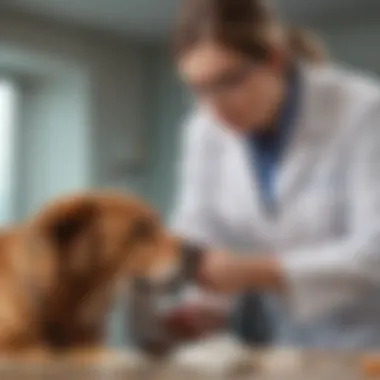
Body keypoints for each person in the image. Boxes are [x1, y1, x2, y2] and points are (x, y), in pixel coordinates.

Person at [166, 0, 380, 349]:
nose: (215, 107)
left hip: (370, 341)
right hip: (289, 344)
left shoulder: (364, 112)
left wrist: (259, 272)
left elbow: (375, 250)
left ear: (275, 60)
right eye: (199, 88)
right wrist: (202, 305)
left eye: (228, 81)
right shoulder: (203, 129)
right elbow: (200, 227)